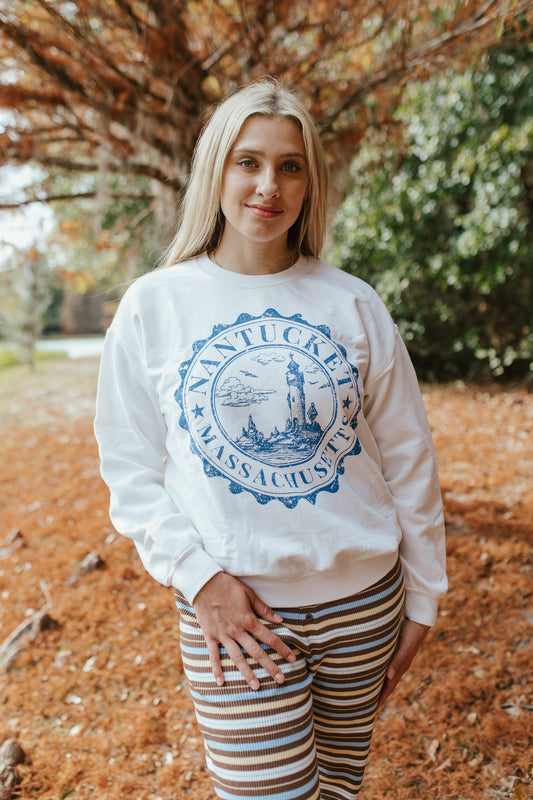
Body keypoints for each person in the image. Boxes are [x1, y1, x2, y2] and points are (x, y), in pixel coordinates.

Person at [94, 78, 447, 800]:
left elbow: (408, 457)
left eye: (290, 166)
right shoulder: (155, 305)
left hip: (364, 606)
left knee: (338, 790)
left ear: (310, 184)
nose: (268, 186)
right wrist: (199, 581)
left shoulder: (351, 301)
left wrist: (424, 596)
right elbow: (129, 468)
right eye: (248, 162)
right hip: (235, 613)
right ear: (215, 170)